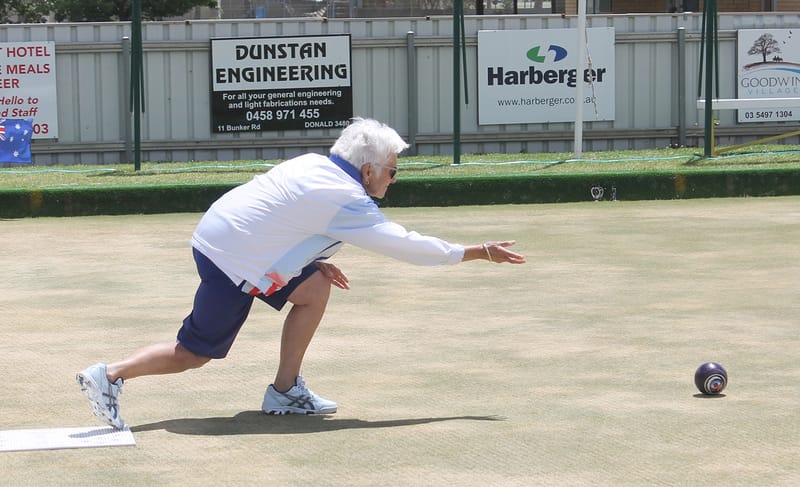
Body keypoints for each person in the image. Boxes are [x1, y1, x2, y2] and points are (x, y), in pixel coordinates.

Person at [76, 118, 526, 429]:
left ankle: (285, 391)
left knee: (313, 288)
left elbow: (281, 217)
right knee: (193, 353)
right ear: (368, 170)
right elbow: (403, 245)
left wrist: (308, 260)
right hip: (232, 256)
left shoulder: (315, 164)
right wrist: (473, 252)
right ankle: (110, 374)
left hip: (227, 234)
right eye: (392, 171)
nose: (393, 179)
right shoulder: (346, 198)